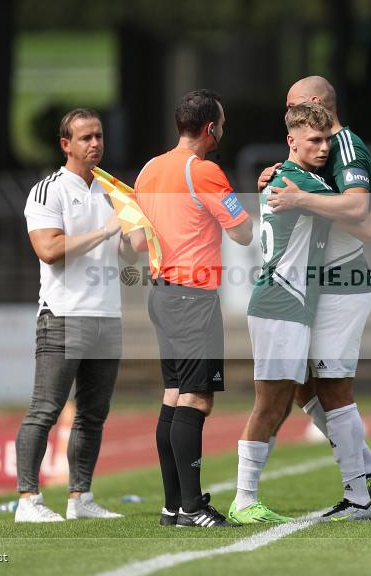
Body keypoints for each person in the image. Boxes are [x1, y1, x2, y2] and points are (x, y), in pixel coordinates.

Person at [258, 76, 371, 521]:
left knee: (334, 385)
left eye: (293, 104)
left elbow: (360, 213)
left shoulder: (347, 145)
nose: (288, 113)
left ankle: (358, 498)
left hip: (343, 282)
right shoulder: (317, 151)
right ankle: (370, 468)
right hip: (315, 282)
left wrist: (300, 197)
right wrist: (281, 174)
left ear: (316, 103)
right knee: (301, 386)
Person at [135, 89, 253, 528]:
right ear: (210, 128)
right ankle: (192, 507)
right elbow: (241, 232)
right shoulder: (203, 171)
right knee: (197, 398)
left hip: (161, 293)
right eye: (220, 123)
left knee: (173, 394)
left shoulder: (149, 168)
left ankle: (173, 505)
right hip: (192, 295)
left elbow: (136, 233)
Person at [15, 108, 139, 523]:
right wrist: (105, 230)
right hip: (65, 315)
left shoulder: (110, 190)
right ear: (65, 145)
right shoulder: (48, 190)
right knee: (45, 410)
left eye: (99, 136)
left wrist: (132, 231)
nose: (95, 144)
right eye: (85, 138)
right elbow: (48, 249)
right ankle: (28, 500)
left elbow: (127, 251)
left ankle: (79, 497)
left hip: (107, 312)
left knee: (93, 413)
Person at [228, 102, 336, 524]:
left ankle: (363, 466)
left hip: (290, 302)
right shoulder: (293, 182)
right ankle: (243, 499)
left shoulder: (294, 179)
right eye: (315, 140)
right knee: (269, 406)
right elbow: (356, 207)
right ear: (292, 141)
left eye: (327, 139)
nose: (325, 147)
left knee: (299, 395)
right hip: (281, 302)